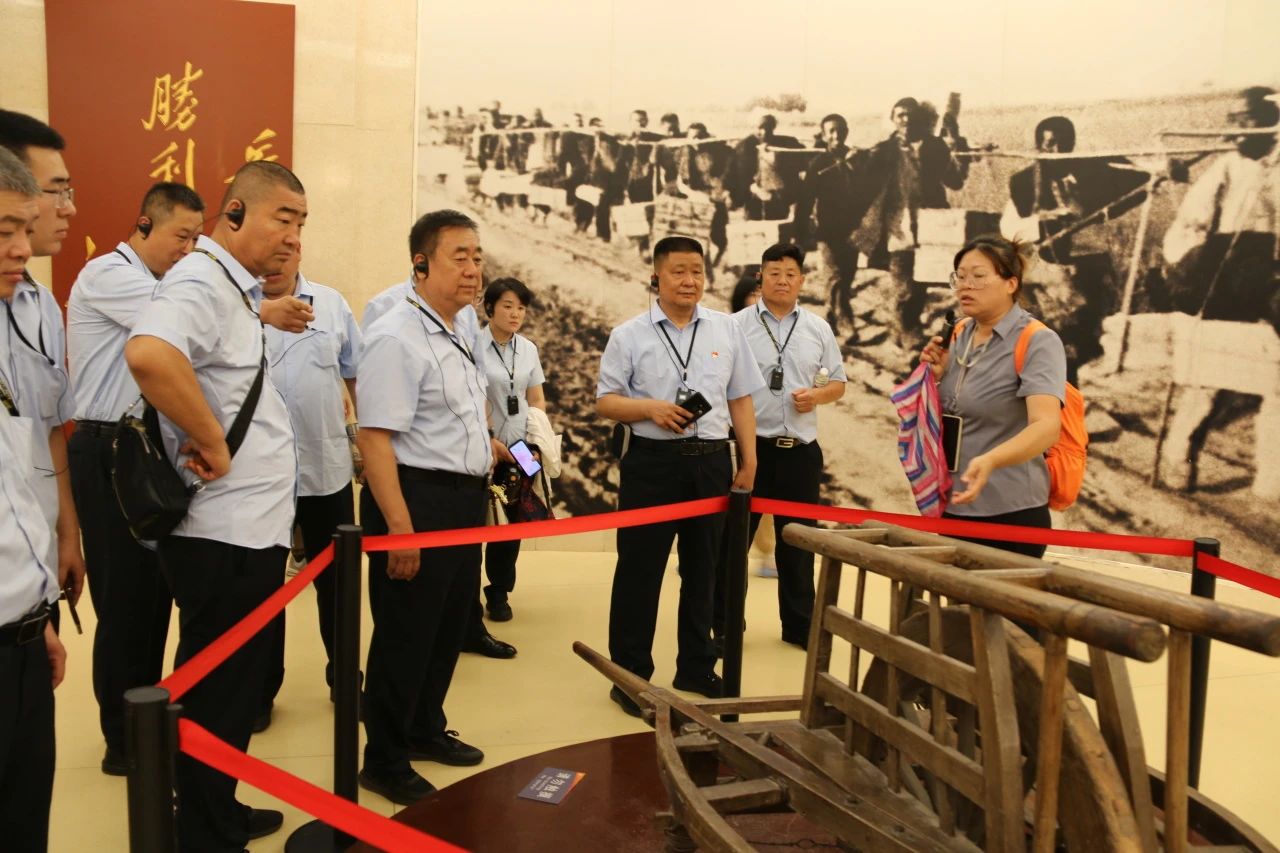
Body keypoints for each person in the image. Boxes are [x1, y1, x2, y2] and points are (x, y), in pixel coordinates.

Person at [124, 161, 310, 851]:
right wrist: (212, 441)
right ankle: (202, 830)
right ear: (233, 214)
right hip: (221, 533)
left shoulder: (232, 289)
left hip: (245, 530)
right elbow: (149, 354)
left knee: (231, 689)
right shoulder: (201, 280)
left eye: (301, 223)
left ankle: (215, 809)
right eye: (282, 218)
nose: (293, 236)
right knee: (219, 689)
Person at [356, 209, 511, 805]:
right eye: (459, 258)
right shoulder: (395, 335)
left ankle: (424, 728)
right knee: (405, 635)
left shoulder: (460, 325)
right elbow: (376, 439)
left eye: (477, 257)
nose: (473, 270)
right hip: (416, 502)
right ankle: (384, 759)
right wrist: (401, 530)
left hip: (462, 501)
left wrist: (487, 444)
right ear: (420, 264)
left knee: (447, 628)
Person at [65, 182, 204, 775]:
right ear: (144, 224)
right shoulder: (109, 275)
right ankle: (122, 742)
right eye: (181, 236)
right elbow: (182, 320)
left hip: (145, 449)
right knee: (124, 600)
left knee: (155, 596)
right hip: (107, 450)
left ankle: (148, 724)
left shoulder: (162, 281)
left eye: (197, 239)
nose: (189, 249)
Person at [596, 235, 763, 716]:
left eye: (697, 271)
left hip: (710, 463)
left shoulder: (726, 329)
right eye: (678, 271)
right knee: (639, 571)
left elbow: (740, 397)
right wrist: (650, 409)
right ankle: (629, 676)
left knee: (704, 570)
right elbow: (606, 401)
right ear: (657, 277)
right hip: (652, 464)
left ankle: (695, 665)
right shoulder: (629, 335)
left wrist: (749, 459)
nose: (689, 281)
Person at [1158, 86, 1279, 498]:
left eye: (1248, 120)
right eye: (1234, 121)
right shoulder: (1226, 168)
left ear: (1270, 123)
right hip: (1229, 277)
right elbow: (1191, 225)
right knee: (1212, 375)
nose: (1238, 129)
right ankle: (1179, 456)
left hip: (1273, 279)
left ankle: (1271, 481)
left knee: (1275, 382)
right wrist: (1192, 269)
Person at [919, 235, 1067, 558]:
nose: (965, 285)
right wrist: (937, 377)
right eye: (960, 276)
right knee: (951, 593)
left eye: (978, 276)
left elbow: (1046, 427)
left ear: (1011, 283)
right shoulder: (959, 333)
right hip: (953, 505)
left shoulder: (1038, 341)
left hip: (1010, 513)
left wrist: (991, 460)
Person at [0, 144, 66, 853]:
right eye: (4, 231)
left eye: (25, 227)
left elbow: (17, 486)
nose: (22, 247)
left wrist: (35, 613)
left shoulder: (16, 319)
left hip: (20, 636)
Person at [731, 244, 846, 647]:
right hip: (749, 451)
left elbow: (838, 383)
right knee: (733, 546)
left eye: (790, 274)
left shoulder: (818, 329)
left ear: (802, 280)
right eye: (774, 272)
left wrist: (817, 396)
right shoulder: (735, 326)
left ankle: (799, 628)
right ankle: (726, 627)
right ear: (760, 277)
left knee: (798, 546)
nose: (782, 280)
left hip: (800, 451)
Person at [261, 244, 361, 695]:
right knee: (264, 589)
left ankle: (345, 680)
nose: (276, 263)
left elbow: (355, 373)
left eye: (286, 252)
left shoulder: (332, 304)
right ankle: (261, 691)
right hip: (261, 477)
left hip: (326, 469)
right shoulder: (238, 308)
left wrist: (365, 438)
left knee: (338, 586)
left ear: (300, 254)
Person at [0, 110, 85, 625]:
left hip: (36, 561)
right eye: (56, 191)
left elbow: (52, 428)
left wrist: (67, 533)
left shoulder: (42, 305)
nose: (68, 207)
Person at [999, 116, 1149, 383]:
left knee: (1087, 335)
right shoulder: (1023, 181)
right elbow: (1010, 229)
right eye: (1049, 144)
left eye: (1062, 144)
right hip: (1049, 271)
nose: (1055, 151)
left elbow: (1139, 178)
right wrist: (1043, 221)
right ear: (1039, 146)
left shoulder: (1089, 172)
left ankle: (1072, 381)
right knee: (1056, 337)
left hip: (1089, 263)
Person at [852, 97, 969, 346]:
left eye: (910, 115)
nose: (906, 120)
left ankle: (904, 330)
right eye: (900, 115)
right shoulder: (883, 151)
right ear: (893, 119)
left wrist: (956, 150)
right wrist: (857, 161)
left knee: (921, 281)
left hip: (930, 225)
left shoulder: (935, 146)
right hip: (898, 226)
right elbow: (863, 184)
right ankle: (909, 335)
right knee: (903, 283)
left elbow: (955, 181)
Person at [475, 277, 546, 623]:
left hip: (520, 448)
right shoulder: (472, 344)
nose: (516, 313)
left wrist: (536, 443)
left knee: (512, 522)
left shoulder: (528, 349)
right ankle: (465, 594)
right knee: (477, 520)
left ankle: (499, 591)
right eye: (507, 306)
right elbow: (472, 397)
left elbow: (536, 399)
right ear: (490, 308)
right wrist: (490, 438)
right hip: (483, 447)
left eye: (521, 308)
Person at [794, 113, 869, 345]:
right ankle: (846, 323)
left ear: (846, 132)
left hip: (853, 230)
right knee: (834, 276)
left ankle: (830, 315)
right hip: (828, 230)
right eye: (831, 131)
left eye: (840, 130)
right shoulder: (819, 163)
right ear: (824, 135)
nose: (836, 135)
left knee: (847, 276)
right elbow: (806, 198)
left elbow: (868, 191)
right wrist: (799, 231)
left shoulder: (858, 160)